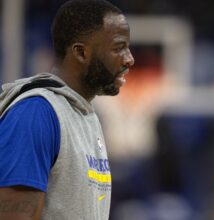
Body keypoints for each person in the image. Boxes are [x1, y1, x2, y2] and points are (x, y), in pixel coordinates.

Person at [0, 0, 134, 219]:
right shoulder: (35, 114)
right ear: (81, 53)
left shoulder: (85, 114)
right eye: (118, 48)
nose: (130, 59)